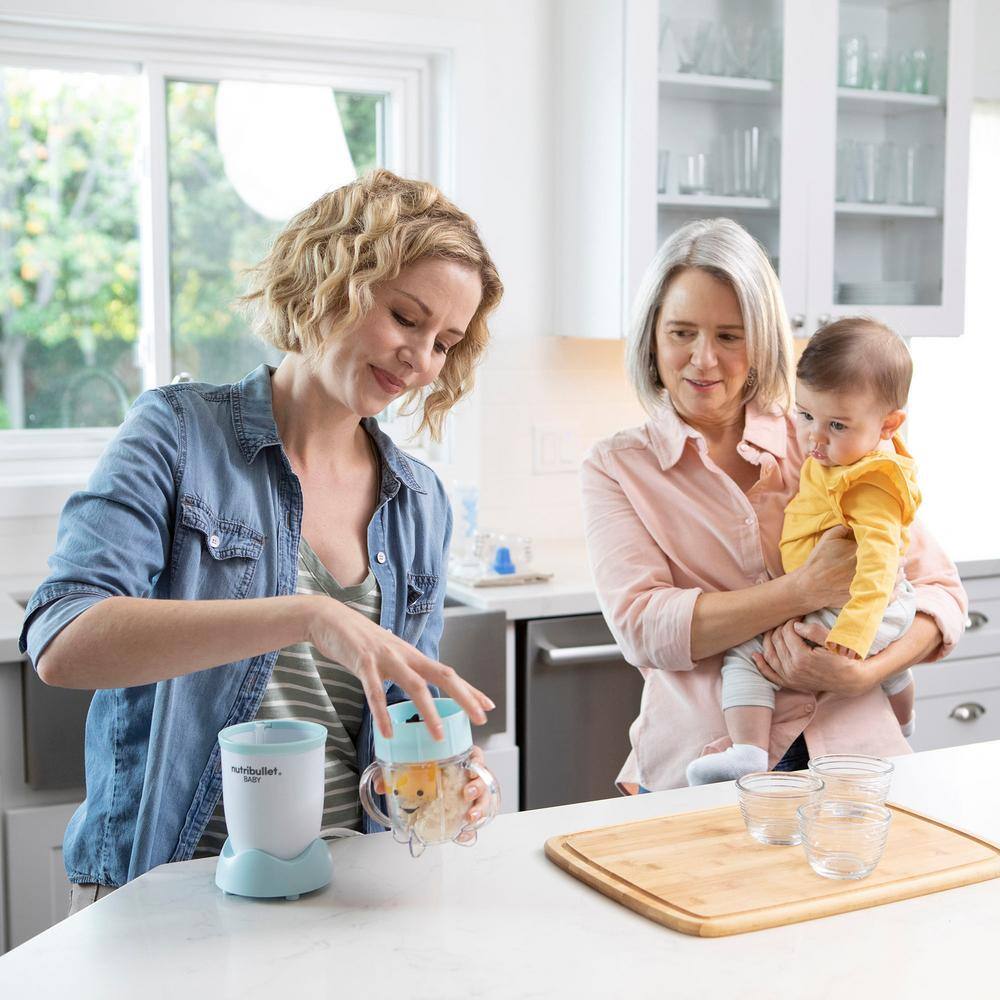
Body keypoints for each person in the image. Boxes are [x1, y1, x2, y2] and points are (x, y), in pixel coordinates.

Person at [19, 169, 503, 910]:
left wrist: (449, 780)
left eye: (446, 342)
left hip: (348, 893)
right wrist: (308, 614)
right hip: (170, 890)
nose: (421, 359)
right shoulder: (178, 438)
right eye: (406, 317)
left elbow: (392, 737)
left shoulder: (419, 502)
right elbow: (63, 641)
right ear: (330, 280)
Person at [580, 218, 966, 794]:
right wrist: (803, 590)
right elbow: (644, 627)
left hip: (858, 762)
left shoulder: (821, 436)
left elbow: (939, 592)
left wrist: (865, 672)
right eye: (681, 332)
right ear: (652, 337)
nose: (703, 360)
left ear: (760, 341)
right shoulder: (617, 466)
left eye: (729, 337)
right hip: (706, 765)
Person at [686, 317, 921, 785]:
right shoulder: (839, 455)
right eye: (806, 415)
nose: (814, 437)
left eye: (836, 424)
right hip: (865, 607)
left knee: (747, 651)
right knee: (891, 664)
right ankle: (905, 721)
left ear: (888, 425)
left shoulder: (871, 481)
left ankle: (748, 752)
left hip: (860, 608)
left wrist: (852, 642)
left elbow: (878, 570)